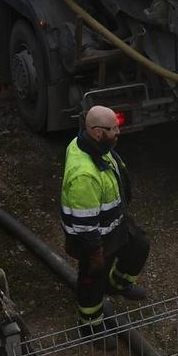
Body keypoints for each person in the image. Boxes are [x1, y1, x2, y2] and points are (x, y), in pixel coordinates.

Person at [60, 105, 150, 333]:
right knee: (92, 280)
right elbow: (84, 223)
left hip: (114, 224)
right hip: (95, 238)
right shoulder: (85, 176)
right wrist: (95, 254)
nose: (118, 133)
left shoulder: (94, 145)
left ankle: (118, 285)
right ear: (98, 133)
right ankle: (90, 326)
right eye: (113, 129)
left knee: (139, 245)